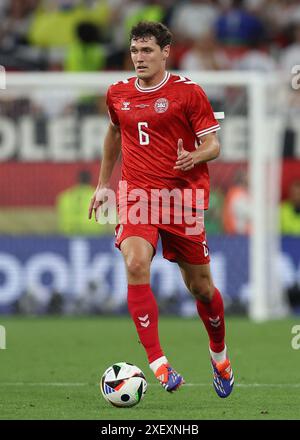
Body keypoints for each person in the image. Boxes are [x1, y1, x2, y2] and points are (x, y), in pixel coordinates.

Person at [89, 21, 234, 397]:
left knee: (201, 289)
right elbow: (115, 132)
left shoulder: (188, 93)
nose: (140, 58)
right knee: (136, 263)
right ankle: (159, 364)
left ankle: (219, 355)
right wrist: (105, 185)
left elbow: (213, 145)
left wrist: (194, 157)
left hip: (181, 200)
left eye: (147, 51)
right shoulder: (117, 93)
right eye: (135, 51)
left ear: (165, 52)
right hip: (136, 196)